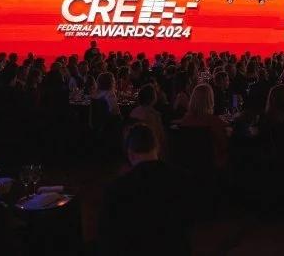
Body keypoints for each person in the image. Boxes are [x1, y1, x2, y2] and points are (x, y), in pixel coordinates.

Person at [98, 124, 192, 256]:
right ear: (157, 148)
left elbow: (107, 236)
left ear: (130, 154)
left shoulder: (116, 188)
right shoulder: (183, 179)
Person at [177, 83, 228, 168]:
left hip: (190, 164)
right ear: (210, 100)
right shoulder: (214, 121)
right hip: (212, 164)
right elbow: (224, 145)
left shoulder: (185, 121)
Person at [129, 84, 167, 157]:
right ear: (153, 97)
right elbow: (160, 136)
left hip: (134, 146)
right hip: (150, 149)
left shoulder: (133, 112)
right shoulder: (154, 115)